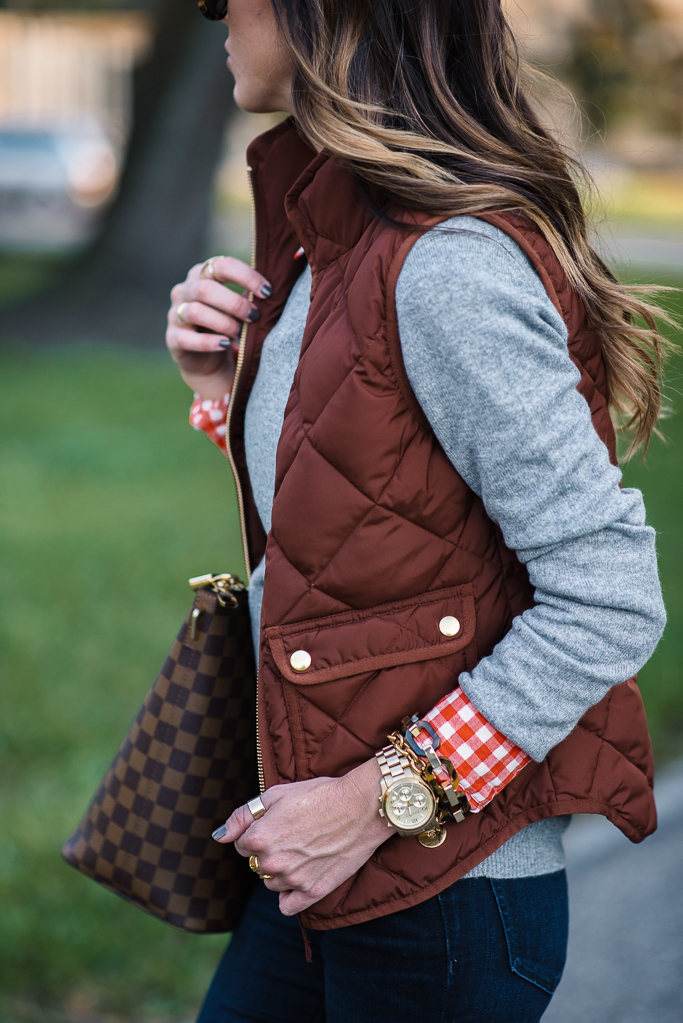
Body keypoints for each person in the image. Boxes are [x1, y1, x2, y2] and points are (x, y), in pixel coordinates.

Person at [165, 1, 670, 1020]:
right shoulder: (330, 236)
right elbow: (380, 504)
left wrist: (374, 802)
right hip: (316, 850)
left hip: (438, 893)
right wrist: (227, 390)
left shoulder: (444, 268)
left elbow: (609, 596)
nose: (208, 11)